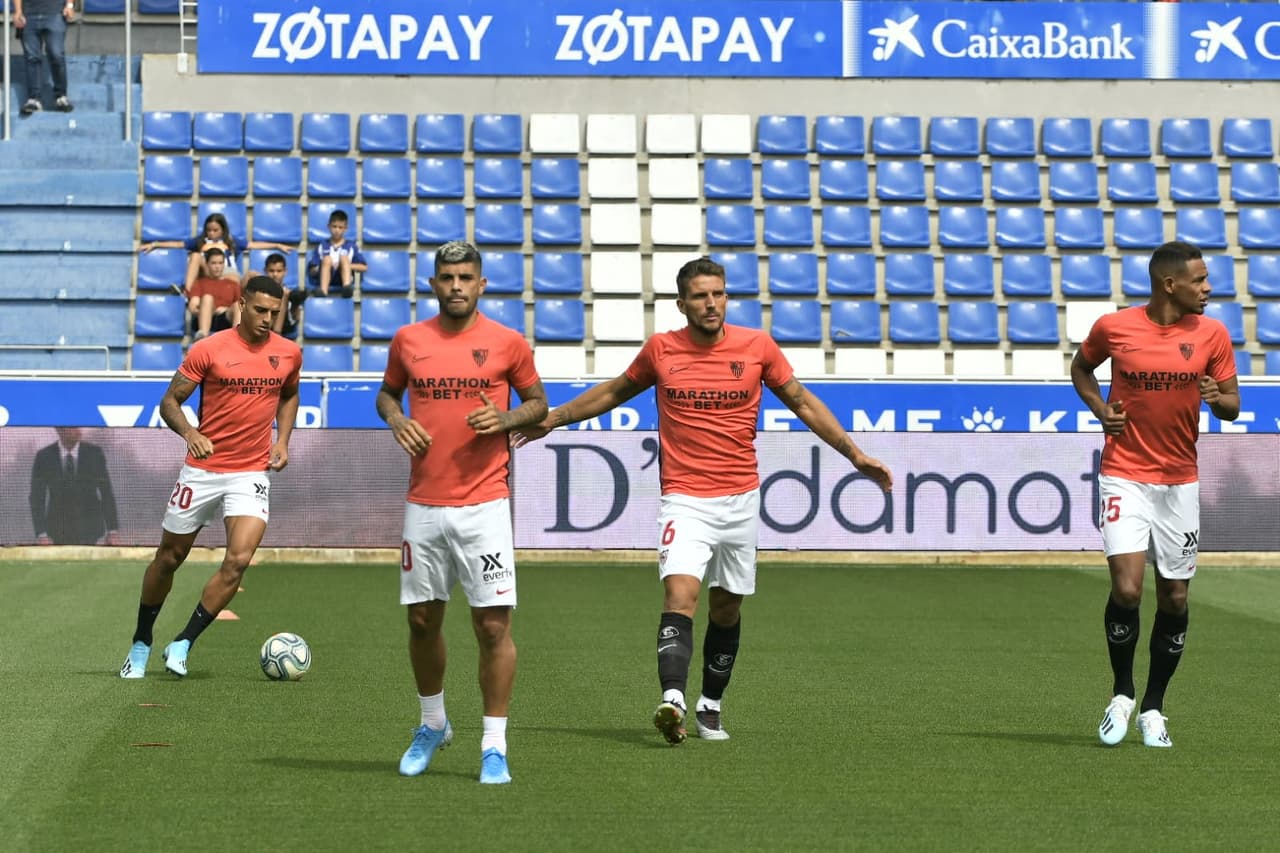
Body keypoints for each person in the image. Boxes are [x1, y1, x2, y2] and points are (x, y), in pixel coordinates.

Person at [514, 257, 893, 745]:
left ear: (726, 297)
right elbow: (613, 391)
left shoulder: (756, 347)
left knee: (727, 608)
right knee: (680, 596)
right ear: (682, 303)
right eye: (699, 295)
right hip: (685, 499)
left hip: (741, 500)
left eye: (717, 293)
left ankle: (709, 706)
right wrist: (554, 418)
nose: (710, 303)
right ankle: (671, 700)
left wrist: (855, 455)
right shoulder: (662, 350)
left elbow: (802, 402)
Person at [376, 241, 547, 785]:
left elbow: (539, 403)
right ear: (433, 284)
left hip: (485, 505)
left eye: (465, 277)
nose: (456, 286)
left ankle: (493, 744)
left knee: (492, 625)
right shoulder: (409, 340)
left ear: (481, 284)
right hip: (424, 504)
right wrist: (396, 419)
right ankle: (432, 724)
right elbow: (386, 395)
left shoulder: (507, 342)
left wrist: (506, 418)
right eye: (446, 277)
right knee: (422, 619)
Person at [1071, 240, 1239, 749]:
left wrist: (1218, 400)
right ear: (1171, 284)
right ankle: (1122, 694)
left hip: (1180, 482)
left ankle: (1153, 707)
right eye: (1201, 279)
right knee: (1126, 589)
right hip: (1124, 473)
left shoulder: (1213, 334)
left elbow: (1232, 404)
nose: (1209, 288)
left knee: (1175, 596)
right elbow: (1081, 369)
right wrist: (1101, 410)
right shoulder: (1113, 327)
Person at [118, 276, 302, 680]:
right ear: (241, 305)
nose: (268, 319)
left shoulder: (289, 353)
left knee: (238, 561)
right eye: (260, 310)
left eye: (275, 312)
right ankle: (142, 640)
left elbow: (289, 395)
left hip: (251, 471)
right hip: (202, 470)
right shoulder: (209, 349)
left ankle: (182, 642)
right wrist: (191, 433)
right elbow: (170, 401)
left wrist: (283, 440)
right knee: (169, 558)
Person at [140, 212, 293, 295]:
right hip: (210, 273)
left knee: (252, 274)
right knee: (195, 256)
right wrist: (155, 244)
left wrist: (277, 245)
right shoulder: (201, 242)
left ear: (223, 229)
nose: (212, 233)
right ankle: (186, 291)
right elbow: (178, 244)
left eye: (215, 230)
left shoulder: (231, 242)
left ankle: (273, 295)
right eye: (209, 230)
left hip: (230, 274)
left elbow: (254, 244)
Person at [30, 426, 119, 545]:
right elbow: (37, 498)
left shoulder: (94, 453)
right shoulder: (45, 456)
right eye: (72, 427)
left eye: (78, 426)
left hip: (89, 528)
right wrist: (42, 534)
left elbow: (106, 492)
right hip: (57, 530)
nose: (78, 430)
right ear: (59, 430)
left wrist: (112, 531)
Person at [15, 0, 74, 116]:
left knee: (56, 54)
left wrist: (70, 5)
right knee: (32, 57)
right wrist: (18, 11)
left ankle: (61, 96)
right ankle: (34, 99)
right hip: (29, 14)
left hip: (55, 13)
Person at [305, 209, 366, 298]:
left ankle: (346, 288)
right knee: (327, 259)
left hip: (343, 276)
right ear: (329, 226)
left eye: (340, 227)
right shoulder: (322, 246)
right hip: (325, 275)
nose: (337, 230)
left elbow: (364, 267)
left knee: (344, 258)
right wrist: (319, 267)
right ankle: (323, 292)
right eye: (334, 226)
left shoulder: (351, 246)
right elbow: (312, 269)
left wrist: (347, 265)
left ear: (345, 229)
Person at [187, 247, 242, 340]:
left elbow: (241, 308)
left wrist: (226, 309)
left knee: (238, 304)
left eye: (220, 263)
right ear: (207, 264)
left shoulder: (233, 284)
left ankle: (237, 339)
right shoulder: (199, 283)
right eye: (213, 263)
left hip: (225, 319)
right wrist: (209, 308)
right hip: (203, 317)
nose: (217, 266)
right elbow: (193, 306)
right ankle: (203, 336)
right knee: (207, 298)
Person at [243, 252, 297, 335]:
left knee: (283, 295)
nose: (275, 274)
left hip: (283, 330)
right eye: (271, 271)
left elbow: (295, 318)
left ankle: (275, 337)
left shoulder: (289, 293)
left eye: (279, 271)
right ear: (265, 270)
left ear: (285, 271)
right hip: (260, 325)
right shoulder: (259, 291)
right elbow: (248, 277)